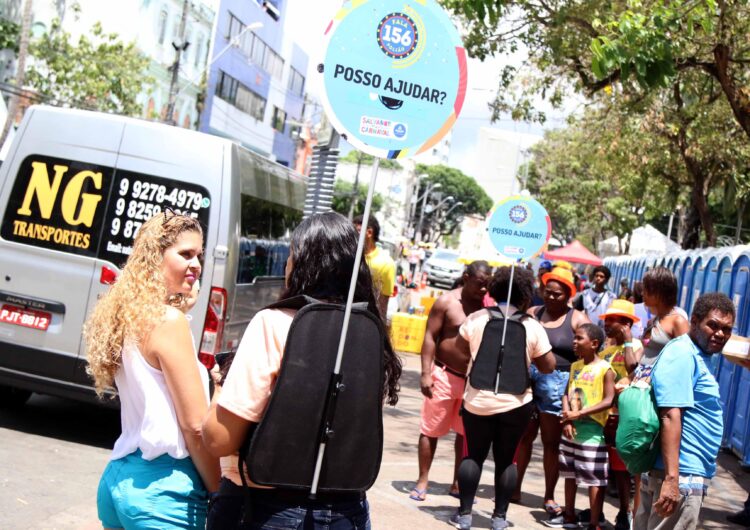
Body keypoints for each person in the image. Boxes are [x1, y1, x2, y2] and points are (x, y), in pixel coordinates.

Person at [201, 212, 402, 529]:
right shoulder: (371, 334)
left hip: (264, 509)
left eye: (291, 254)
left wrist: (220, 389)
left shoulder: (273, 323)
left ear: (302, 263)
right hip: (348, 511)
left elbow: (219, 440)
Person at [83, 211, 220, 529]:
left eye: (198, 255)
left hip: (121, 480)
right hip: (165, 491)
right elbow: (195, 427)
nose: (196, 264)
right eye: (185, 254)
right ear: (156, 257)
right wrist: (220, 492)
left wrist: (180, 308)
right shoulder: (168, 322)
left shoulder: (130, 314)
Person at [451, 266, 556, 530]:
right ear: (525, 294)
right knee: (506, 458)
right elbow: (549, 366)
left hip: (477, 400)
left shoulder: (476, 318)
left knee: (473, 456)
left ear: (494, 289)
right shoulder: (533, 326)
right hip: (516, 403)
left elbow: (459, 349)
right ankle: (498, 518)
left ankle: (464, 515)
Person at [633, 293, 734, 530]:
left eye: (726, 329)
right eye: (713, 325)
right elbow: (670, 414)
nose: (720, 334)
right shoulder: (682, 353)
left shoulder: (698, 355)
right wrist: (671, 480)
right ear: (695, 320)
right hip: (679, 475)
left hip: (681, 474)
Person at [513, 266, 589, 521]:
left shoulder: (577, 318)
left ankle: (548, 495)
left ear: (568, 294)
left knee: (550, 443)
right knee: (523, 436)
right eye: (548, 292)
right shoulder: (533, 313)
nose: (551, 297)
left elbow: (590, 349)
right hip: (528, 378)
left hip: (558, 383)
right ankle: (514, 488)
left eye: (558, 294)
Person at [411, 261, 491, 502]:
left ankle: (459, 483)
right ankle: (422, 480)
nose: (483, 290)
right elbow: (430, 337)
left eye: (487, 286)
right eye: (479, 284)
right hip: (444, 375)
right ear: (466, 278)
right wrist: (426, 373)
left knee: (467, 435)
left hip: (473, 381)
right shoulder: (446, 302)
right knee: (430, 430)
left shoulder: (489, 308)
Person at [558, 323, 615, 530]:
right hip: (571, 429)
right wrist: (568, 419)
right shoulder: (575, 366)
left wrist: (579, 413)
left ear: (594, 344)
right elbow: (566, 393)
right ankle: (569, 514)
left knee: (594, 477)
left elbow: (609, 400)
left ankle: (594, 523)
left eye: (579, 338)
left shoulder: (604, 369)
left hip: (592, 431)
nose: (574, 342)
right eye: (574, 337)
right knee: (569, 473)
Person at [599, 300, 644, 530]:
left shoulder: (636, 346)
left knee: (631, 470)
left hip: (627, 417)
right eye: (606, 320)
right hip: (608, 417)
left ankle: (634, 516)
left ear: (626, 324)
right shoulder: (605, 352)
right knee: (618, 470)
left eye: (612, 320)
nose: (606, 324)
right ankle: (623, 512)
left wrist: (627, 340)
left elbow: (633, 370)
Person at [353, 214, 396, 318]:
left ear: (369, 232)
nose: (352, 235)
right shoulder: (348, 256)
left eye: (356, 231)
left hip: (366, 321)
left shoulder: (386, 264)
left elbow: (382, 306)